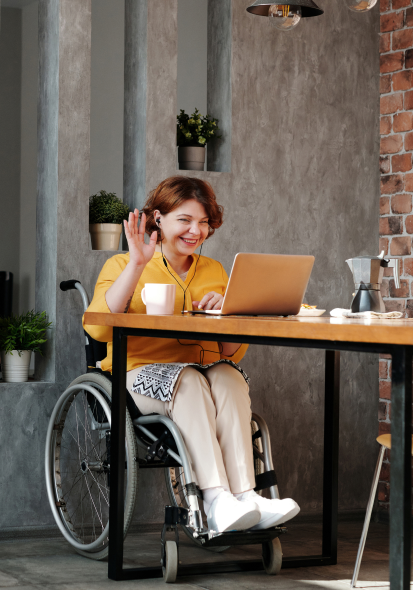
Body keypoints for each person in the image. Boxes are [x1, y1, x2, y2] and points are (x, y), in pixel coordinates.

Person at [85, 176, 299, 533]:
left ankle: (246, 497)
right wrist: (137, 264)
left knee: (229, 376)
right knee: (189, 381)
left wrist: (228, 313)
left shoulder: (214, 271)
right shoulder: (122, 265)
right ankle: (216, 499)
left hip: (200, 374)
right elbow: (98, 329)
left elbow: (231, 352)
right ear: (159, 218)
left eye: (203, 222)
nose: (195, 230)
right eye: (184, 219)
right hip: (137, 376)